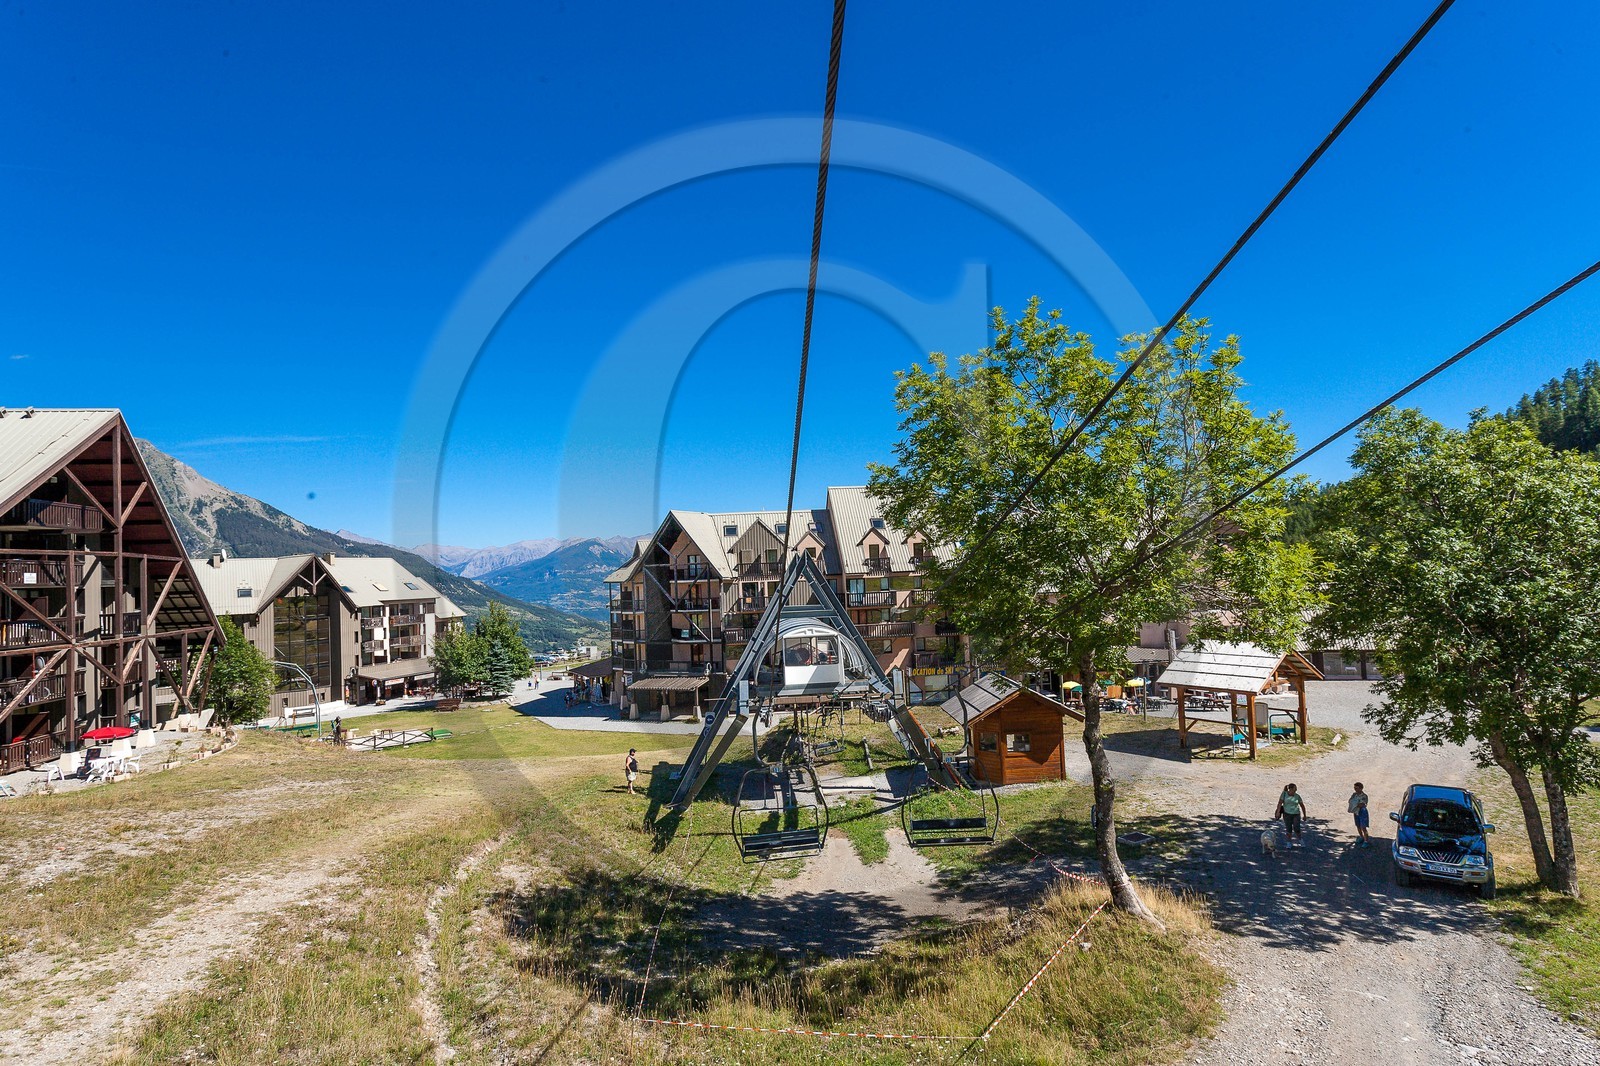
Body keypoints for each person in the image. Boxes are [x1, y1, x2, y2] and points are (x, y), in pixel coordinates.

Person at [1348, 781, 1371, 847]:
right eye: (1355, 788)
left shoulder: (1364, 796)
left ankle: (1366, 841)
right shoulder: (1354, 794)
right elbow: (1350, 801)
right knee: (1358, 825)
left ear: (1361, 788)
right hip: (1356, 811)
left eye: (1357, 788)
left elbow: (1361, 804)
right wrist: (1355, 803)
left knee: (1363, 827)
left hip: (1362, 812)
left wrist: (1354, 803)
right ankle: (1361, 837)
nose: (1355, 790)